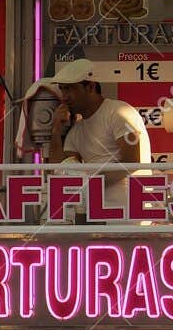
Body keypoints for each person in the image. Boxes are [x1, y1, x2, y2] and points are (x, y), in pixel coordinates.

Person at [44, 58, 150, 213]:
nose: (64, 96)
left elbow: (131, 162)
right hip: (97, 214)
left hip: (131, 213)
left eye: (69, 89)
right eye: (62, 89)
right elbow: (58, 170)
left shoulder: (119, 112)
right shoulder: (76, 131)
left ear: (90, 87)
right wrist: (56, 130)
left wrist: (87, 182)